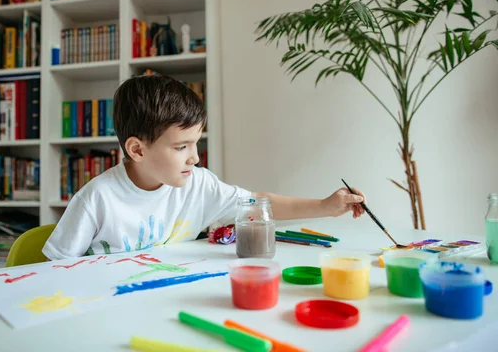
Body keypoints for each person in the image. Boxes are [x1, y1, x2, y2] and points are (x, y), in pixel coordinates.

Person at [42, 75, 366, 260]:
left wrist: (326, 206)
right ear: (137, 149)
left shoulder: (198, 184)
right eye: (181, 147)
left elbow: (257, 204)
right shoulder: (97, 200)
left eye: (196, 143)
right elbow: (51, 271)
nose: (195, 158)